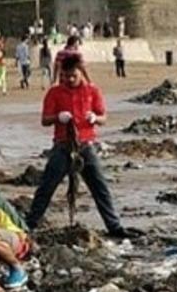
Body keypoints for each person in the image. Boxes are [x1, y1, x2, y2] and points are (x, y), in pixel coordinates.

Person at [26, 53, 129, 239]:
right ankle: (30, 224)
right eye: (65, 76)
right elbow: (44, 120)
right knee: (46, 187)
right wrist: (58, 117)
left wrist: (95, 118)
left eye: (73, 76)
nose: (69, 80)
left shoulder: (92, 91)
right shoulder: (55, 92)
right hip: (62, 146)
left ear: (81, 72)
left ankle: (114, 226)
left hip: (86, 146)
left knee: (100, 187)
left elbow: (104, 117)